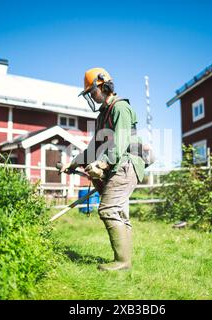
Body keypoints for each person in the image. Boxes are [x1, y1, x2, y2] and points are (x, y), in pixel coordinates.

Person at [59, 68, 145, 271]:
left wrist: (103, 164)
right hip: (117, 164)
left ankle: (122, 262)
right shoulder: (102, 115)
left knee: (108, 209)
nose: (90, 95)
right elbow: (94, 147)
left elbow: (122, 141)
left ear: (103, 85)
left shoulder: (120, 108)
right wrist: (72, 163)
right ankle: (125, 261)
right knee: (120, 213)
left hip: (126, 164)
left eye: (91, 91)